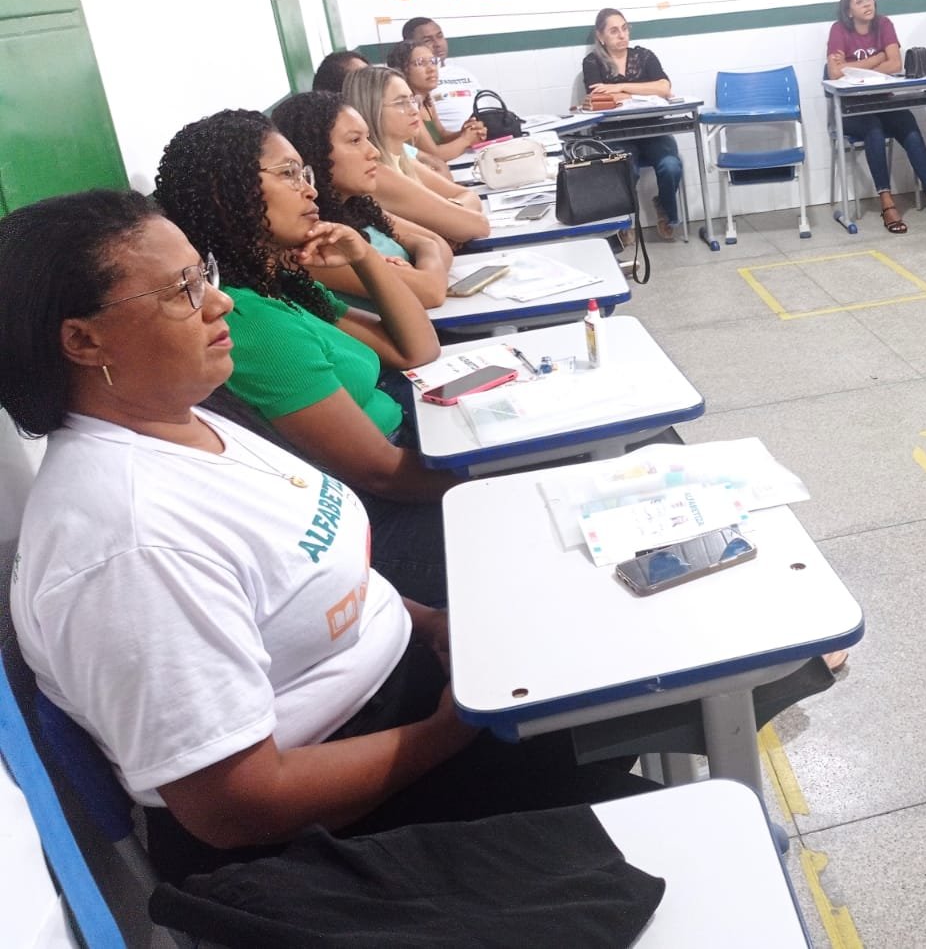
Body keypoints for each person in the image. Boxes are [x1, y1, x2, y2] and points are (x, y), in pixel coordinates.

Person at [0, 190, 653, 887]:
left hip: (410, 699)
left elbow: (310, 572)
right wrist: (450, 728)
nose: (218, 303)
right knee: (672, 813)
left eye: (204, 273)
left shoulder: (188, 419)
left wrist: (429, 622)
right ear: (83, 341)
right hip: (330, 835)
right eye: (180, 291)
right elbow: (235, 806)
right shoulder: (128, 544)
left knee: (634, 644)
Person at [153, 109, 460, 603]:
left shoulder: (276, 284)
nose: (310, 191)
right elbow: (381, 473)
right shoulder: (247, 319)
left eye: (306, 173)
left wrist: (363, 255)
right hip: (377, 521)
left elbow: (418, 349)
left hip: (414, 449)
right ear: (226, 192)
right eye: (288, 174)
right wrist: (483, 478)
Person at [272, 90, 454, 307]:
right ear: (314, 151)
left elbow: (439, 244)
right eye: (355, 140)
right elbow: (431, 292)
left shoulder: (357, 208)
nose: (374, 152)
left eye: (367, 138)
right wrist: (422, 259)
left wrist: (424, 251)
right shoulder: (315, 244)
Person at [824, 0, 926, 234]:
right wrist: (877, 58)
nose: (867, 4)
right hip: (851, 110)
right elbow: (835, 73)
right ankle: (886, 201)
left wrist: (854, 67)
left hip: (883, 102)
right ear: (849, 11)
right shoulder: (839, 30)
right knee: (873, 128)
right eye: (859, 1)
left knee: (908, 123)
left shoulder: (883, 24)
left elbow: (895, 64)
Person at [343, 66, 490, 247]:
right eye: (400, 103)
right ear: (371, 110)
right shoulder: (376, 172)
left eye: (413, 100)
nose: (414, 111)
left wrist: (452, 215)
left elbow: (468, 195)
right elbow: (478, 225)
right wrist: (453, 220)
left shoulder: (402, 157)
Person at [581, 8, 684, 240]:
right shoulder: (592, 62)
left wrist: (620, 87)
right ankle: (623, 219)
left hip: (653, 129)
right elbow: (601, 98)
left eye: (625, 28)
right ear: (600, 36)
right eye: (614, 31)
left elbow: (664, 88)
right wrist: (645, 90)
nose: (622, 35)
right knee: (626, 170)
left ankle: (665, 208)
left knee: (671, 166)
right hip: (615, 132)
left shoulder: (645, 56)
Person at [385, 39, 488, 164]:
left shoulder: (427, 101)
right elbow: (434, 154)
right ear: (402, 70)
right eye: (420, 63)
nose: (431, 69)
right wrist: (466, 140)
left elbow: (442, 136)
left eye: (433, 61)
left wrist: (466, 132)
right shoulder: (409, 108)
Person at [403, 16, 482, 132]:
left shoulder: (463, 72)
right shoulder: (416, 80)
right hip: (456, 141)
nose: (437, 44)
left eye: (440, 36)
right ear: (411, 45)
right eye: (427, 40)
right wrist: (466, 136)